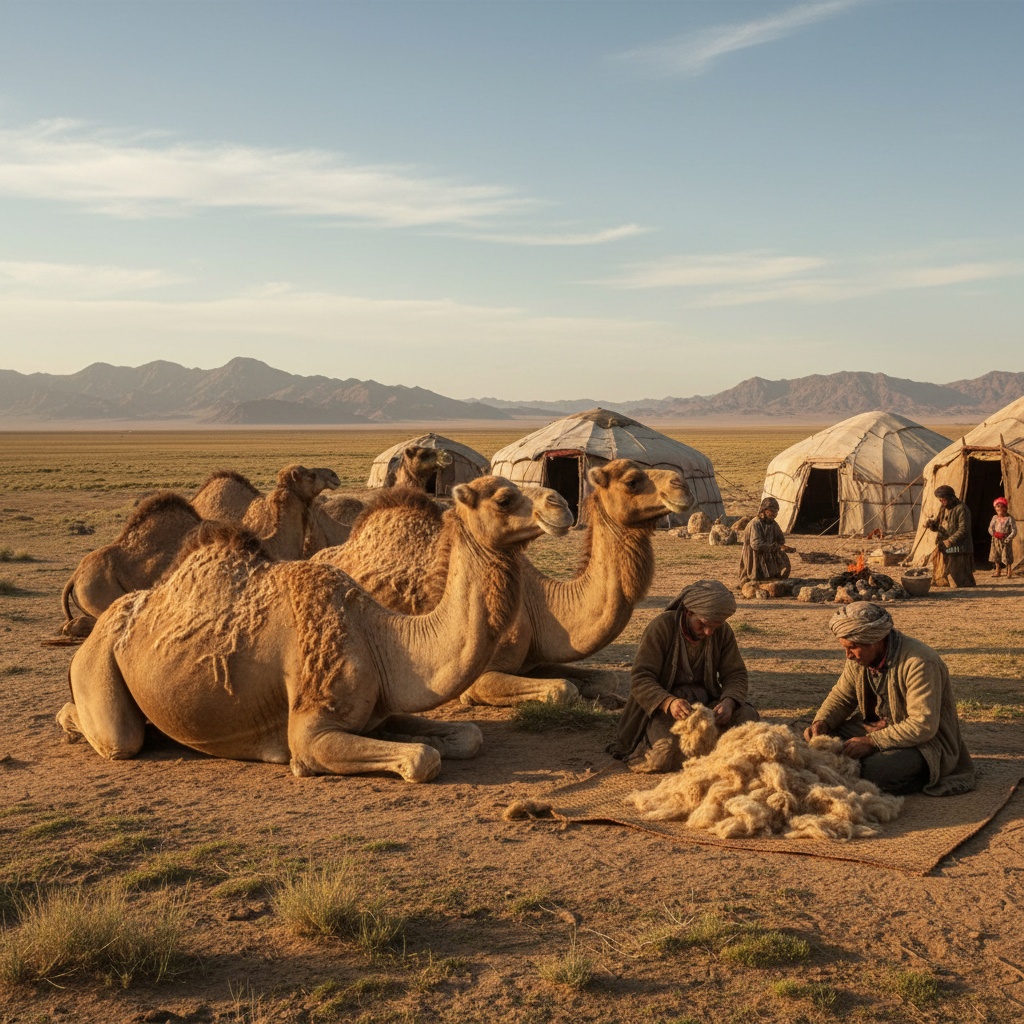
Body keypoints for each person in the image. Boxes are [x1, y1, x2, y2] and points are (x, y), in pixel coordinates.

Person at [803, 602, 974, 796]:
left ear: (875, 641)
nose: (848, 655)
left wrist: (871, 742)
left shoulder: (919, 663)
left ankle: (919, 775)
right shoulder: (859, 658)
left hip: (923, 743)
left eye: (853, 648)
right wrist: (822, 722)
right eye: (845, 647)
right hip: (875, 727)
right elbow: (842, 697)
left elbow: (922, 726)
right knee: (801, 736)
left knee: (872, 771)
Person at [609, 579, 759, 772]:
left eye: (715, 626)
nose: (708, 632)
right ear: (688, 612)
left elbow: (735, 673)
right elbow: (641, 678)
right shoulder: (661, 628)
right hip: (663, 713)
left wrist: (729, 701)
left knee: (747, 718)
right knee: (665, 755)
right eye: (703, 624)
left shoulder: (721, 632)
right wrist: (668, 702)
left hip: (707, 708)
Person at [923, 485, 975, 587]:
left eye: (943, 499)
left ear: (949, 497)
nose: (941, 502)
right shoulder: (943, 508)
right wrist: (932, 525)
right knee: (945, 575)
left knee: (960, 580)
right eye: (940, 500)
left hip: (960, 547)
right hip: (946, 545)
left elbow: (963, 530)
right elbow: (940, 525)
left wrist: (950, 541)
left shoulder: (962, 509)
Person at [738, 496, 793, 583]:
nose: (775, 514)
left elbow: (781, 539)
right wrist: (774, 546)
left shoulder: (773, 523)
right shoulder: (755, 524)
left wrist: (782, 546)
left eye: (776, 512)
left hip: (769, 554)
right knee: (754, 579)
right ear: (765, 510)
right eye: (772, 511)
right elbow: (756, 544)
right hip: (754, 555)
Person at [988, 497, 1017, 578]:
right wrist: (994, 534)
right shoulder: (995, 518)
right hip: (996, 539)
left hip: (1006, 539)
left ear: (1006, 508)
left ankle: (1009, 571)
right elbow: (990, 528)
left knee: (1007, 555)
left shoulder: (1010, 518)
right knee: (996, 554)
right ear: (995, 508)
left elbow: (1014, 530)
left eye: (1002, 506)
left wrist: (1008, 538)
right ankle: (998, 570)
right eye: (998, 506)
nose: (1000, 508)